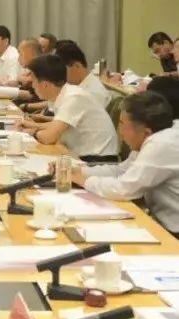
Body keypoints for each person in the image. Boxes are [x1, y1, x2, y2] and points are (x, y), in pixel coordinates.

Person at [73, 92, 179, 236]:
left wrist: (84, 180)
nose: (120, 131)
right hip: (160, 220)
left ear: (146, 132)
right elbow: (123, 170)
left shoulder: (161, 144)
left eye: (122, 124)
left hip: (173, 232)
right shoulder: (156, 134)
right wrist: (80, 171)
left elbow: (125, 189)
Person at [20, 54, 119, 159]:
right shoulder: (66, 93)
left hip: (97, 159)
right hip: (86, 154)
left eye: (33, 81)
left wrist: (31, 132)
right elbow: (56, 126)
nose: (32, 86)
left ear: (45, 84)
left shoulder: (73, 97)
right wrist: (31, 125)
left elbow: (49, 137)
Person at [54, 40, 111, 107]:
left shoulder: (93, 93)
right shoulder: (76, 85)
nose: (61, 75)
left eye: (64, 70)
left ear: (77, 66)